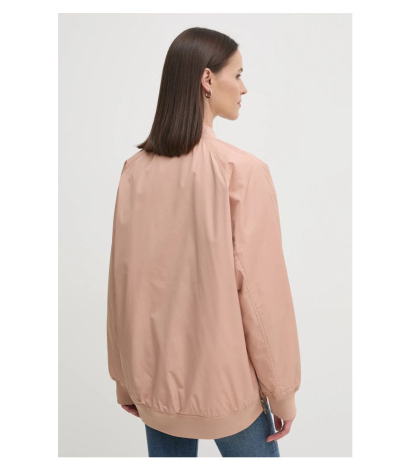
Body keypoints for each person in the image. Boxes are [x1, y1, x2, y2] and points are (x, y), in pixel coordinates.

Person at [107, 27, 301, 458]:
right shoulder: (242, 172)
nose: (244, 87)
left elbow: (122, 282)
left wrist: (125, 380)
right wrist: (282, 393)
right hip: (226, 391)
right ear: (208, 79)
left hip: (155, 387)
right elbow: (262, 296)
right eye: (239, 74)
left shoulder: (134, 171)